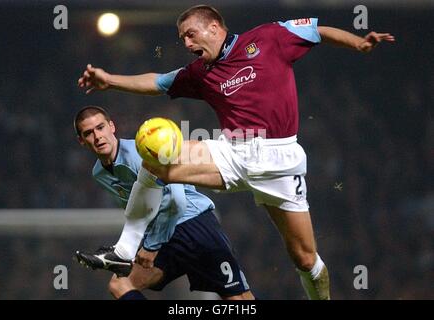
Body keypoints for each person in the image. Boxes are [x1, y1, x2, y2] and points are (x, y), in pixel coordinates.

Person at [77, 5, 395, 300]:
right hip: (234, 152)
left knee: (305, 258)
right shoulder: (200, 72)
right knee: (156, 163)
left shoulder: (268, 37)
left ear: (214, 28)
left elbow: (317, 31)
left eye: (190, 34)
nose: (186, 43)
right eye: (181, 38)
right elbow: (158, 82)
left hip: (279, 159)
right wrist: (110, 81)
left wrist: (357, 43)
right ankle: (124, 249)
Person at [74, 105, 254, 300]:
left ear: (112, 127)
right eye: (89, 133)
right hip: (164, 237)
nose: (98, 136)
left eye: (100, 128)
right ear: (81, 140)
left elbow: (176, 201)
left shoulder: (141, 152)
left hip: (194, 225)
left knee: (239, 300)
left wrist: (151, 246)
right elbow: (142, 211)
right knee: (121, 284)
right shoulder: (99, 173)